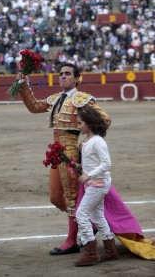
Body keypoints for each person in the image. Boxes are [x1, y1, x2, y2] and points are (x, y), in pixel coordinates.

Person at [17, 62, 111, 255]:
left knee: (70, 197)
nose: (63, 76)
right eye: (61, 74)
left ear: (77, 78)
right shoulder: (56, 98)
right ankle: (87, 223)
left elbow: (105, 119)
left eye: (68, 74)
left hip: (70, 153)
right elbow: (34, 107)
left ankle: (72, 240)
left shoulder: (82, 99)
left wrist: (89, 139)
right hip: (58, 151)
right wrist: (23, 85)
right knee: (56, 197)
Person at [74, 106, 119, 266]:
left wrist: (88, 175)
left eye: (80, 123)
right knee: (97, 216)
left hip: (97, 183)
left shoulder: (98, 141)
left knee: (81, 214)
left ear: (90, 124)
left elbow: (107, 163)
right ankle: (110, 250)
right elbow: (92, 162)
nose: (78, 126)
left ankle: (90, 252)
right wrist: (80, 168)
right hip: (95, 183)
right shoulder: (88, 141)